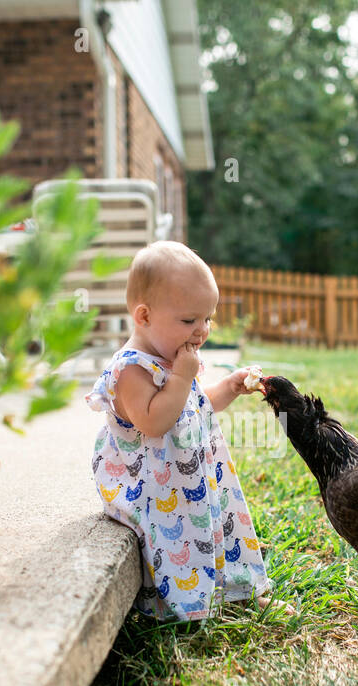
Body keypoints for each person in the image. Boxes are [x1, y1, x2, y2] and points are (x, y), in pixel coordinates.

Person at [85, 241, 283, 621]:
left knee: (222, 527)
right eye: (189, 320)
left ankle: (239, 590)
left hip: (189, 475)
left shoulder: (172, 359)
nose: (202, 330)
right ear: (144, 316)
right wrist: (180, 376)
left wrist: (228, 387)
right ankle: (189, 604)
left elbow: (190, 405)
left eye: (208, 318)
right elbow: (155, 420)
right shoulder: (132, 369)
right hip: (152, 489)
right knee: (183, 543)